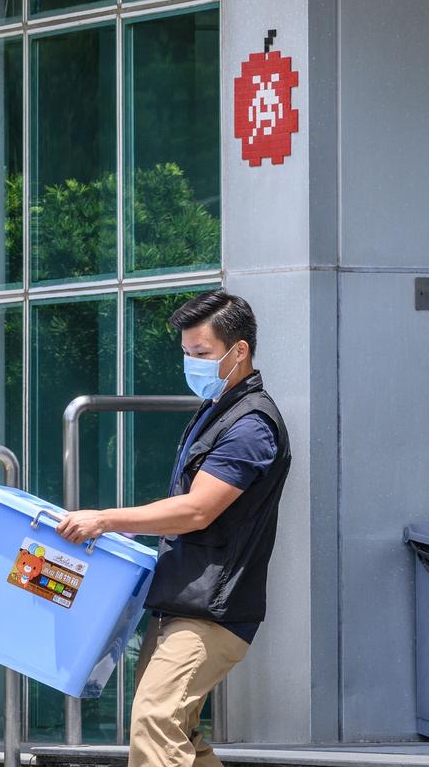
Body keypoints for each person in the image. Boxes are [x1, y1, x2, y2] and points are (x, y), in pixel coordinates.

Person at [56, 290, 291, 767]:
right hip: (183, 600)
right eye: (186, 353)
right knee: (178, 732)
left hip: (212, 610)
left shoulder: (251, 426)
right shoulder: (217, 412)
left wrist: (105, 519)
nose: (191, 364)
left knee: (155, 721)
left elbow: (197, 510)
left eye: (201, 354)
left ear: (239, 350)